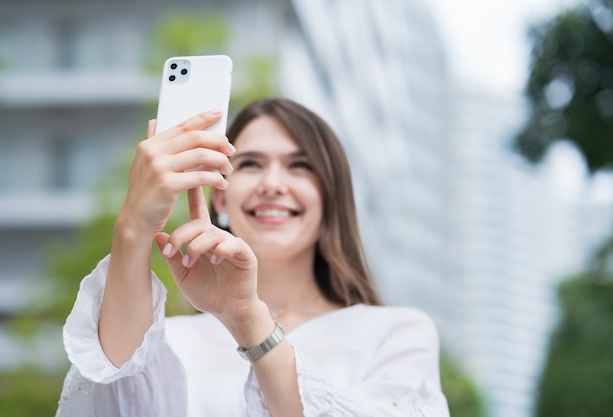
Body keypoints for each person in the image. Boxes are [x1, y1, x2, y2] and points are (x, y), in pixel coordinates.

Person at [55, 98, 450, 417]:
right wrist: (133, 226)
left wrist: (247, 318)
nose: (273, 184)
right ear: (221, 195)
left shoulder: (395, 334)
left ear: (330, 197)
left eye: (300, 166)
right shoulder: (165, 341)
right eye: (250, 164)